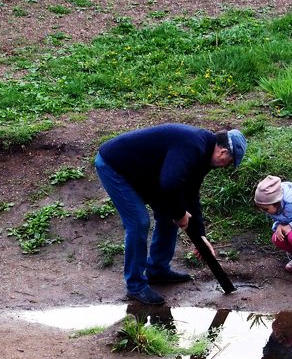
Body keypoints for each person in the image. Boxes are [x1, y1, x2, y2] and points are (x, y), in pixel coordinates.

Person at [95, 123, 247, 305]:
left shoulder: (204, 154)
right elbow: (170, 184)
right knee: (139, 222)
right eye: (229, 163)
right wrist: (179, 213)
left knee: (168, 214)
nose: (225, 167)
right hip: (115, 166)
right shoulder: (193, 146)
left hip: (146, 170)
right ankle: (135, 285)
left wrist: (200, 235)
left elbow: (191, 194)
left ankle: (157, 270)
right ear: (223, 152)